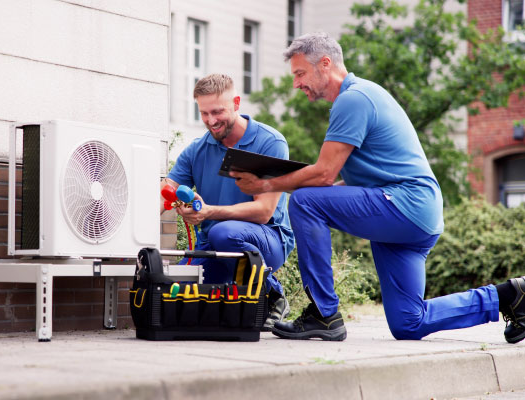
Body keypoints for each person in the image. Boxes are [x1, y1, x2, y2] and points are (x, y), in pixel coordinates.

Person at [232, 32, 525, 343]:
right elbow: (341, 183)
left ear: (326, 64)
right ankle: (509, 296)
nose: (296, 84)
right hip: (412, 215)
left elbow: (324, 176)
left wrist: (265, 184)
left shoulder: (353, 98)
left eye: (300, 73)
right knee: (408, 323)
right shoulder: (360, 97)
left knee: (305, 201)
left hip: (405, 204)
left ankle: (322, 313)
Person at [161, 73, 295, 331]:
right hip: (213, 245)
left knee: (224, 231)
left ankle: (272, 294)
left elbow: (264, 212)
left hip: (267, 240)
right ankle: (242, 299)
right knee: (171, 293)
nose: (211, 121)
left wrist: (209, 212)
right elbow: (166, 190)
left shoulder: (269, 143)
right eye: (204, 113)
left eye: (217, 111)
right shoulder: (197, 150)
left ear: (236, 102)